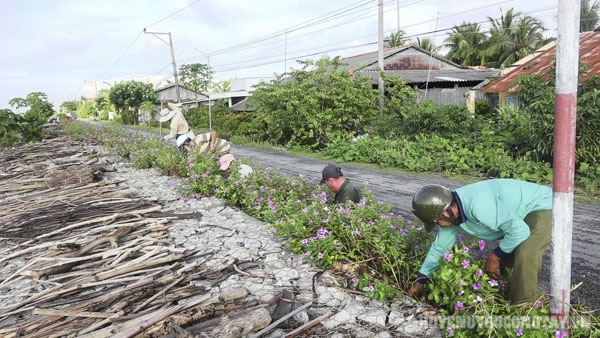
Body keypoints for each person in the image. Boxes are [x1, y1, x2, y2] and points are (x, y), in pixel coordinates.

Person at [408, 178, 552, 304]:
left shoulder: (478, 205)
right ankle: (504, 298)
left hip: (539, 204)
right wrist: (421, 280)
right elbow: (440, 249)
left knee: (525, 252)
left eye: (437, 222)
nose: (438, 226)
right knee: (506, 256)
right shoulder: (452, 214)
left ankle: (524, 311)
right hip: (516, 215)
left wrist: (495, 256)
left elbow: (519, 230)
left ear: (446, 212)